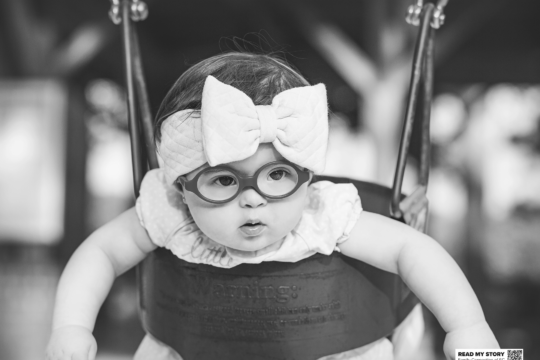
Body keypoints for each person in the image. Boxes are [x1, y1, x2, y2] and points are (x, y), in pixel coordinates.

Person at [46, 52, 499, 360]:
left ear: (307, 177)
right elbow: (101, 253)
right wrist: (70, 328)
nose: (253, 197)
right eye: (223, 180)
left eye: (278, 175)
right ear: (182, 186)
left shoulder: (323, 212)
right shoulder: (169, 211)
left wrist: (467, 329)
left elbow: (412, 250)